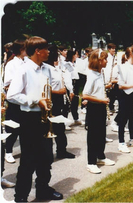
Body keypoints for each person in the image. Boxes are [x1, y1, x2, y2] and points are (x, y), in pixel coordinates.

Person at [7, 36, 63, 202]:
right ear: (38, 51)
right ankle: (21, 196)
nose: (49, 52)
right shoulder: (23, 70)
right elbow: (12, 95)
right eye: (46, 49)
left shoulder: (47, 68)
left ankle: (43, 190)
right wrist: (35, 100)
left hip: (44, 117)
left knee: (46, 158)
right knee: (28, 160)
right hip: (29, 118)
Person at [82, 49, 115, 174]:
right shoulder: (91, 75)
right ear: (99, 61)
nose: (106, 61)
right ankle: (91, 162)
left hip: (100, 107)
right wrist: (101, 100)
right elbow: (85, 95)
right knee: (93, 135)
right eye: (105, 59)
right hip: (94, 108)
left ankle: (100, 156)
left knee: (101, 133)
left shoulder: (99, 73)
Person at [44, 44, 75, 159]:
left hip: (59, 100)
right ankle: (48, 153)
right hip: (51, 99)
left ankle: (61, 150)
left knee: (60, 127)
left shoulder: (56, 68)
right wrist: (59, 91)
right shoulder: (46, 69)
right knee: (52, 126)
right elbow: (45, 87)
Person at [3, 39, 27, 164]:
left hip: (24, 100)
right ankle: (8, 152)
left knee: (24, 127)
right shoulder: (11, 64)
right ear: (21, 50)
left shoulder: (25, 62)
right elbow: (7, 82)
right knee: (12, 127)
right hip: (14, 100)